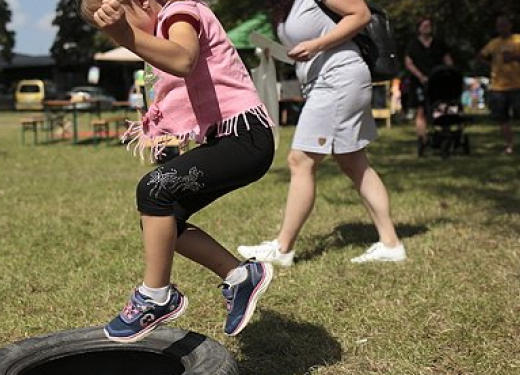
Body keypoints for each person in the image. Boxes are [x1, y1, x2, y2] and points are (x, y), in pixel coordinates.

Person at [81, 0, 276, 342]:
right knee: (162, 219)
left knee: (153, 190)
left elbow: (184, 59)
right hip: (228, 139)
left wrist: (126, 35)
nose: (121, 36)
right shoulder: (162, 25)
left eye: (119, 22)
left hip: (245, 137)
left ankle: (156, 296)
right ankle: (239, 276)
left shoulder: (180, 11)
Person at [238, 0, 405, 266]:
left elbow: (360, 14)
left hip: (338, 78)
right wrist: (278, 53)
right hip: (324, 81)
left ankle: (282, 249)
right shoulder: (286, 5)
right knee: (354, 162)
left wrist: (316, 45)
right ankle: (391, 244)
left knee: (300, 160)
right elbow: (305, 41)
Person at [477, 15, 520, 155]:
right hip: (498, 87)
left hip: (516, 85)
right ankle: (509, 145)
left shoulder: (519, 39)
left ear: (510, 25)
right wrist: (491, 65)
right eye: (499, 26)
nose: (501, 28)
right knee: (502, 118)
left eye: (504, 25)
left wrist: (515, 57)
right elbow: (480, 55)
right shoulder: (494, 43)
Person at [403, 17, 453, 149]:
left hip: (438, 81)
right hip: (419, 82)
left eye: (429, 26)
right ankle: (423, 140)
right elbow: (408, 62)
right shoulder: (413, 44)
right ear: (419, 28)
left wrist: (449, 72)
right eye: (424, 26)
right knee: (421, 111)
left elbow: (448, 60)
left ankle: (444, 135)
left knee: (442, 107)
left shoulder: (439, 43)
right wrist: (420, 76)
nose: (427, 28)